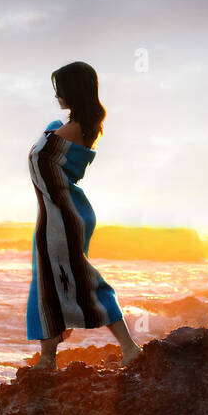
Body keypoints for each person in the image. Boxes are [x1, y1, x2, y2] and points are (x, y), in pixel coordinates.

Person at [25, 60, 140, 368]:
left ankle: (129, 347)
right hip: (58, 215)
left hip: (63, 218)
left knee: (84, 281)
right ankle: (48, 358)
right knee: (47, 282)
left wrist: (48, 131)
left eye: (60, 90)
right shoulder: (76, 128)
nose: (56, 96)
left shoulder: (69, 131)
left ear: (73, 91)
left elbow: (41, 154)